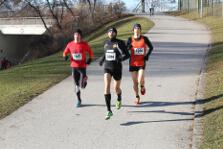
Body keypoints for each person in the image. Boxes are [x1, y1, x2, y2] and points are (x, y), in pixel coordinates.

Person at [99, 27, 129, 120]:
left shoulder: (119, 43)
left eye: (113, 32)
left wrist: (120, 59)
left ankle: (119, 98)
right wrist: (102, 60)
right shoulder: (105, 43)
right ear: (107, 33)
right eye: (109, 31)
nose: (111, 33)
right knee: (106, 86)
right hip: (107, 67)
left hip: (117, 68)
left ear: (115, 33)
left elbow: (127, 55)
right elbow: (106, 53)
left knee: (116, 88)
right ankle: (109, 111)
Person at [63, 29, 94, 107]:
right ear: (74, 36)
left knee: (82, 86)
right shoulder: (70, 44)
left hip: (82, 67)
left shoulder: (84, 44)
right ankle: (79, 100)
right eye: (75, 35)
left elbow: (90, 51)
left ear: (80, 36)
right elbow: (65, 52)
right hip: (74, 67)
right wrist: (65, 56)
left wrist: (90, 58)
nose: (76, 36)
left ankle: (85, 79)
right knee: (76, 85)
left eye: (78, 35)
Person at [127, 23, 153, 105]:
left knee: (140, 79)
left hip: (141, 62)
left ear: (140, 30)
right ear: (133, 30)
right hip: (132, 63)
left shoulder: (144, 39)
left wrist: (147, 56)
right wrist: (129, 47)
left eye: (138, 28)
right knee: (135, 82)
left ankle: (142, 86)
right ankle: (137, 96)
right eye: (135, 28)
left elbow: (151, 47)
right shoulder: (130, 39)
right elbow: (126, 48)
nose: (137, 30)